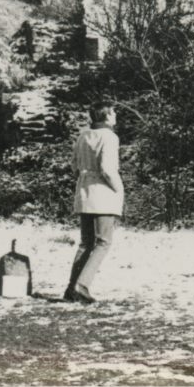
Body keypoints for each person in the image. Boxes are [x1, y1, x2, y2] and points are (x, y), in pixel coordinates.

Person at [64, 106, 124, 305]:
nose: (116, 117)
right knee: (103, 242)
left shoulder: (83, 135)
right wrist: (119, 190)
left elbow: (74, 165)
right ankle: (81, 286)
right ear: (106, 116)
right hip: (103, 193)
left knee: (86, 243)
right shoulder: (109, 137)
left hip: (84, 191)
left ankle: (71, 288)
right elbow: (108, 169)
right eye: (113, 113)